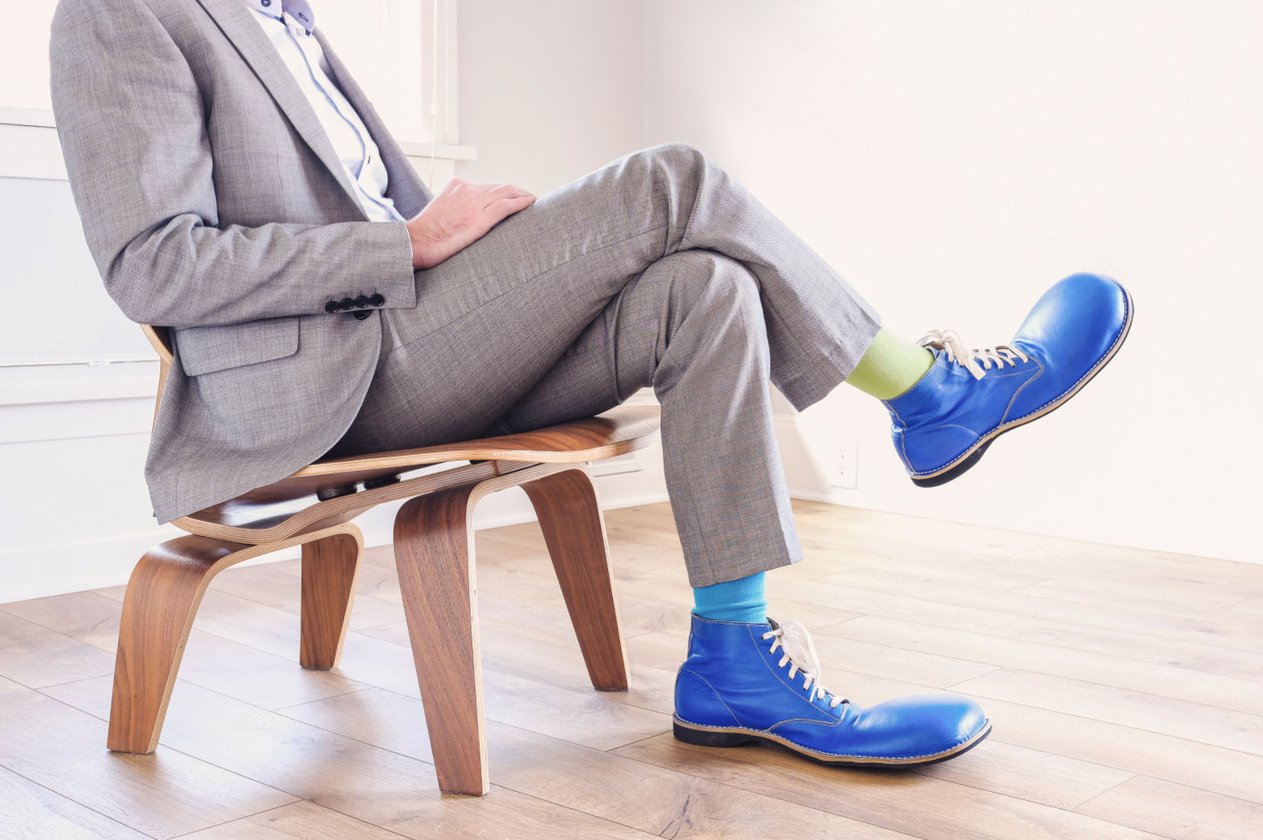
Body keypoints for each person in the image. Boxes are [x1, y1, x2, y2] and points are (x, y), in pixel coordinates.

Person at [49, 0, 1131, 769]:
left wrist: (462, 255)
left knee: (703, 287)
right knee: (677, 179)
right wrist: (412, 251)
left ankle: (733, 663)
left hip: (405, 334)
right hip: (326, 381)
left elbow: (381, 214)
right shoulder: (120, 10)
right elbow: (154, 264)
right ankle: (928, 396)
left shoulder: (286, 17)